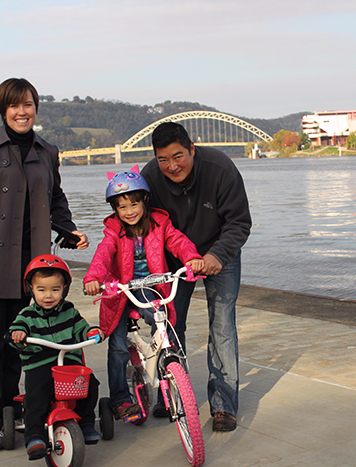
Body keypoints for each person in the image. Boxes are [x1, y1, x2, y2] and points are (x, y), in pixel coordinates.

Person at [0, 77, 88, 452]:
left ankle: (15, 409)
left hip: (32, 268)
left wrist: (69, 230)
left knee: (22, 343)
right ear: (3, 110)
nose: (22, 112)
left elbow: (55, 197)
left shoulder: (47, 151)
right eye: (14, 106)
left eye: (28, 105)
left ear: (36, 109)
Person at [141, 122, 251, 432]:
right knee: (170, 324)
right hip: (174, 257)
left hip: (219, 251)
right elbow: (140, 225)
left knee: (222, 325)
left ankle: (223, 406)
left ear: (192, 148)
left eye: (178, 156)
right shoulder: (150, 178)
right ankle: (174, 393)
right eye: (163, 159)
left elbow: (239, 222)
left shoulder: (220, 169)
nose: (172, 166)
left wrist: (216, 256)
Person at [83, 165, 204, 422]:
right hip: (119, 289)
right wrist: (94, 278)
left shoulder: (160, 223)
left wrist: (192, 258)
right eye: (122, 207)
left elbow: (177, 241)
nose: (128, 212)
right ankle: (120, 399)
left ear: (145, 200)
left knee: (162, 324)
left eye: (133, 204)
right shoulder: (114, 229)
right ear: (115, 209)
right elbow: (104, 254)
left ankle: (167, 385)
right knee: (117, 346)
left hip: (148, 286)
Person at [9, 254, 103, 460]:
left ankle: (86, 423)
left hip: (68, 364)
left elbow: (82, 329)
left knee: (90, 385)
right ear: (31, 290)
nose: (48, 296)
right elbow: (17, 328)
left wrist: (92, 332)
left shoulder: (69, 311)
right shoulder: (27, 315)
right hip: (40, 365)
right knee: (37, 396)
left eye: (55, 289)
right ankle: (34, 436)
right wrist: (18, 335)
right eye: (41, 290)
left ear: (64, 290)